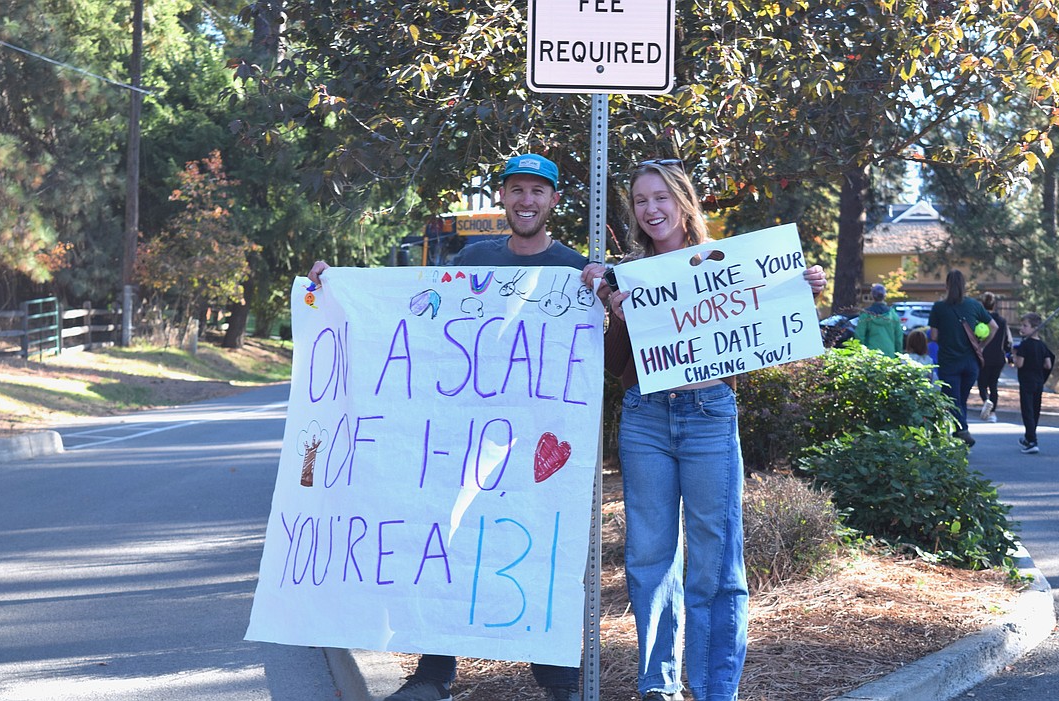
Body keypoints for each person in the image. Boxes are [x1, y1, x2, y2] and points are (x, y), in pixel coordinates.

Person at [309, 153, 599, 701]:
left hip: (539, 440)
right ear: (503, 198)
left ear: (555, 201)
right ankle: (434, 672)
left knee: (536, 545)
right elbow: (417, 309)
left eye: (537, 191)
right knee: (447, 539)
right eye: (516, 190)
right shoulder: (476, 259)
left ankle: (559, 678)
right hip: (470, 436)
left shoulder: (572, 268)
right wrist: (338, 288)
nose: (525, 201)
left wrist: (603, 290)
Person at [580, 159, 826, 701]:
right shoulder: (625, 276)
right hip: (645, 419)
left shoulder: (728, 263)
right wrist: (613, 313)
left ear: (683, 201)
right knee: (649, 557)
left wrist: (801, 288)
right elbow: (614, 365)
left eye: (660, 198)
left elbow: (759, 326)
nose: (651, 210)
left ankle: (715, 689)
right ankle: (658, 686)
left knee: (716, 558)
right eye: (641, 201)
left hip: (709, 417)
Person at [926, 269, 997, 447]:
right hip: (971, 363)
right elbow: (994, 327)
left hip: (949, 362)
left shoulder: (939, 308)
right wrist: (981, 346)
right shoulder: (974, 305)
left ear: (946, 286)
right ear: (964, 286)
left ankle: (963, 431)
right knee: (960, 400)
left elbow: (933, 336)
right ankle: (959, 437)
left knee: (953, 400)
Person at [1014, 311, 1054, 454]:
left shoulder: (1024, 345)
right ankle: (1028, 437)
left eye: (1025, 326)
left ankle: (1032, 441)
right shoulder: (1042, 346)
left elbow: (1019, 364)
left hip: (1026, 381)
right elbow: (1048, 365)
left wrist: (1013, 355)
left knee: (1027, 411)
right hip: (1038, 381)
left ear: (1034, 328)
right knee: (1035, 411)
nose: (1022, 328)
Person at [976, 292, 1012, 423]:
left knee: (981, 384)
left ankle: (986, 400)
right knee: (993, 385)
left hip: (983, 356)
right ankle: (993, 413)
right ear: (994, 304)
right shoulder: (1002, 321)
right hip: (998, 357)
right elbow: (1007, 340)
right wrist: (1009, 353)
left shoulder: (980, 321)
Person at [854, 283, 903, 356]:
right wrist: (899, 355)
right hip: (889, 355)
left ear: (872, 296)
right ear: (885, 296)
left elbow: (859, 337)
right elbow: (898, 338)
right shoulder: (893, 315)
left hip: (871, 356)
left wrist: (860, 354)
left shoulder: (865, 315)